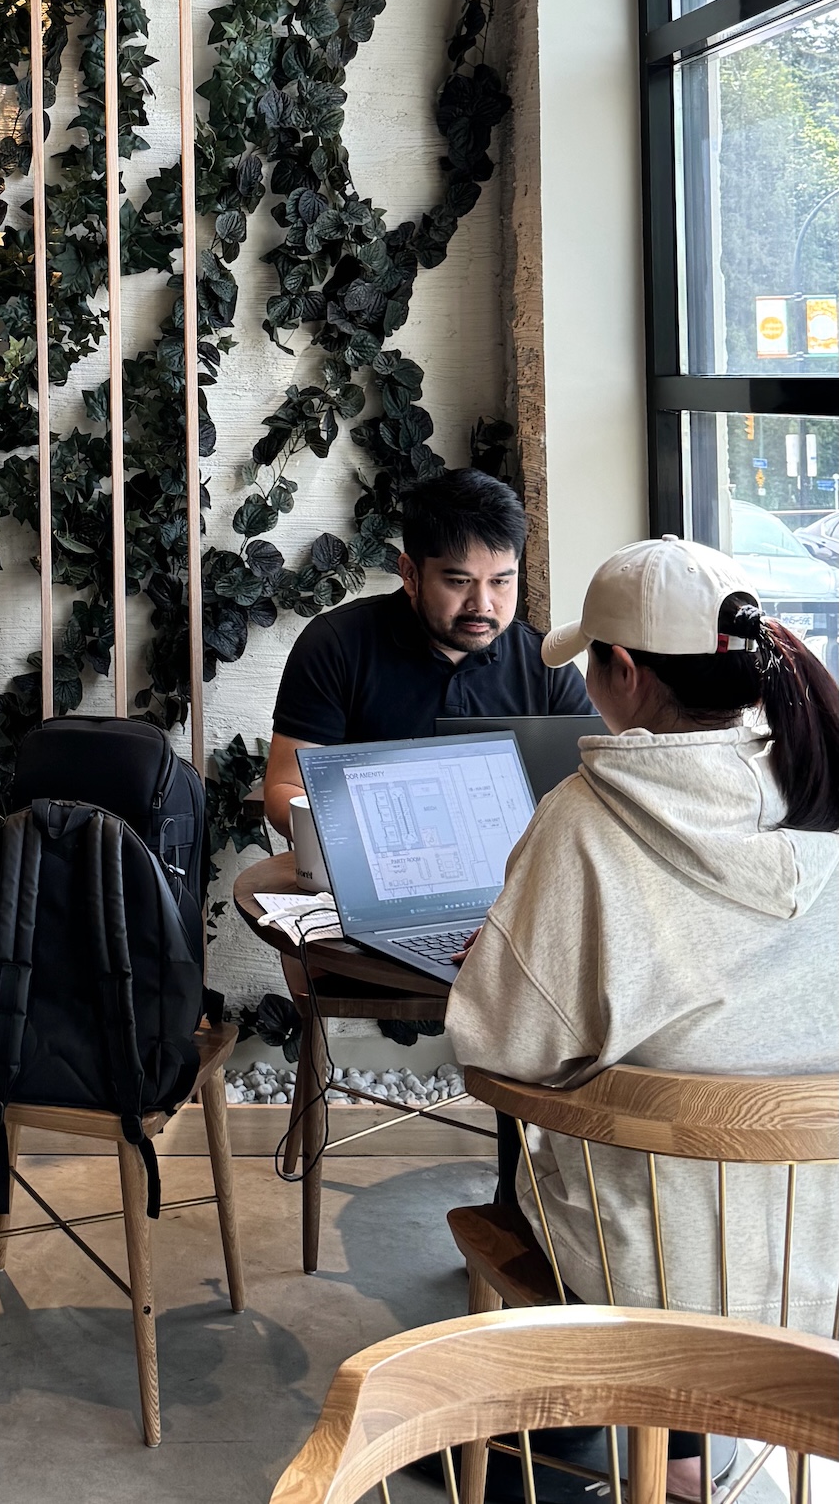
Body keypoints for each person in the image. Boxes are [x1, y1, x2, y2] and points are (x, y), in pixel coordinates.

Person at [448, 537, 838, 1498]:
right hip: (820, 1244)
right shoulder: (821, 783)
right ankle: (703, 1457)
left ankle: (652, 1451)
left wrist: (507, 964)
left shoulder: (583, 818)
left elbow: (496, 1046)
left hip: (646, 1259)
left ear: (619, 673)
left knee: (571, 1172)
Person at [263, 468, 591, 836]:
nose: (481, 605)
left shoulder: (544, 661)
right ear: (410, 574)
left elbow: (597, 783)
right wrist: (360, 840)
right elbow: (285, 789)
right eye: (458, 581)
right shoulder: (336, 645)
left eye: (501, 581)